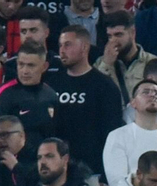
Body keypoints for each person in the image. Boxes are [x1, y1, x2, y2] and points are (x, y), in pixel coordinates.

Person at [47, 26, 124, 176]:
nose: (62, 50)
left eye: (68, 45)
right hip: (55, 171)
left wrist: (105, 175)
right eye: (60, 45)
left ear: (84, 47)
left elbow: (112, 134)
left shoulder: (105, 86)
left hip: (92, 171)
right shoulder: (51, 84)